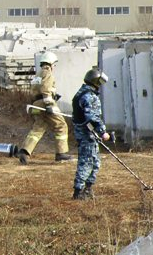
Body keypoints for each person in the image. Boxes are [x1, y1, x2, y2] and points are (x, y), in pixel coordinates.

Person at [19, 51, 72, 165]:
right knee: (61, 126)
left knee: (38, 129)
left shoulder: (38, 74)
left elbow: (37, 90)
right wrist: (49, 105)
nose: (54, 67)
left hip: (36, 104)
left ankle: (24, 151)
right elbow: (46, 89)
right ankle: (61, 153)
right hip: (45, 103)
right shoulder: (47, 73)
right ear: (51, 63)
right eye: (54, 64)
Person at [71, 67, 110, 199]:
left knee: (94, 161)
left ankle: (87, 189)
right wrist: (103, 132)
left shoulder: (82, 93)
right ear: (95, 82)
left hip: (88, 133)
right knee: (86, 162)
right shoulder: (88, 96)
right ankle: (79, 191)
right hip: (86, 134)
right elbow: (92, 117)